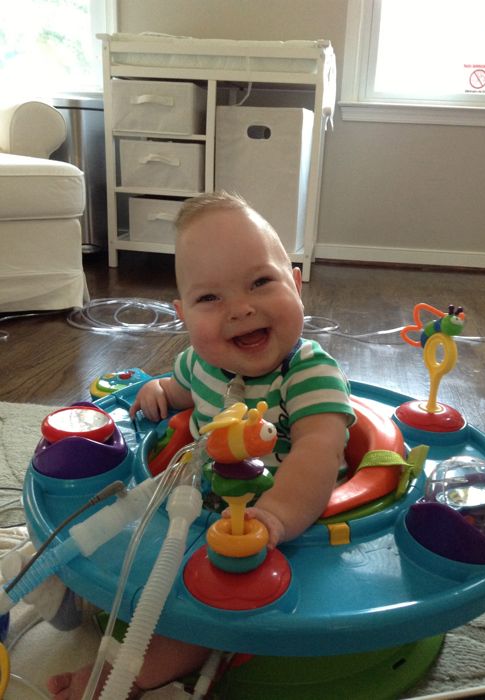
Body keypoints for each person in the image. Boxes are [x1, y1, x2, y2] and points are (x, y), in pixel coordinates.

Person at [47, 191, 355, 699]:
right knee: (100, 532)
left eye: (261, 282)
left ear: (296, 285)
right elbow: (179, 387)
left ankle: (131, 672)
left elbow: (318, 452)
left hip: (279, 524)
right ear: (184, 314)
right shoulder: (201, 363)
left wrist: (276, 517)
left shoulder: (309, 374)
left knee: (198, 609)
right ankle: (71, 591)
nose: (240, 309)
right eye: (210, 298)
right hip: (197, 504)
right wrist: (159, 390)